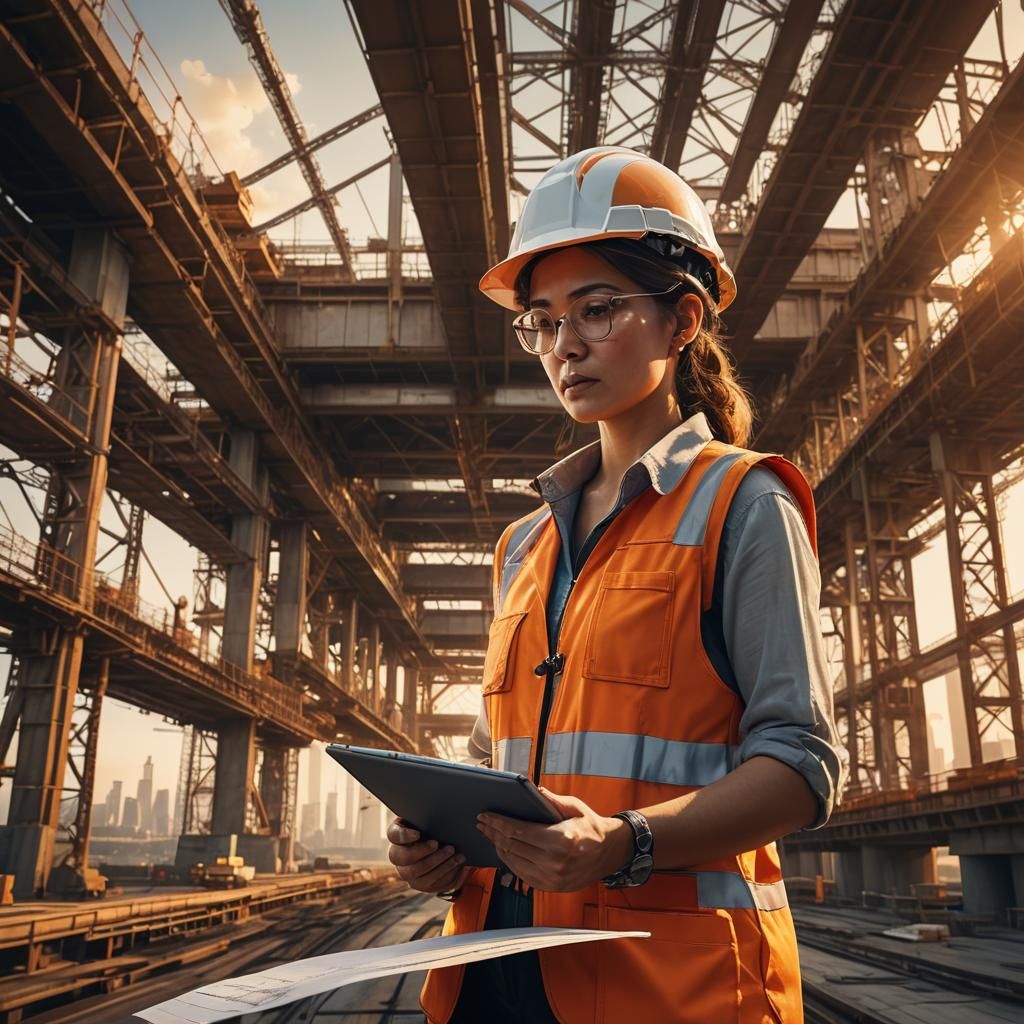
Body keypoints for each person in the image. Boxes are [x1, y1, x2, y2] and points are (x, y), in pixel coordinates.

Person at [387, 146, 848, 1024]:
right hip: (490, 971)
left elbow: (801, 763)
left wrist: (625, 844)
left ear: (683, 323)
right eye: (543, 321)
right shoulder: (523, 543)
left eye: (597, 310)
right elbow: (502, 763)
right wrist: (441, 841)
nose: (565, 345)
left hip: (663, 986)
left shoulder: (741, 505)